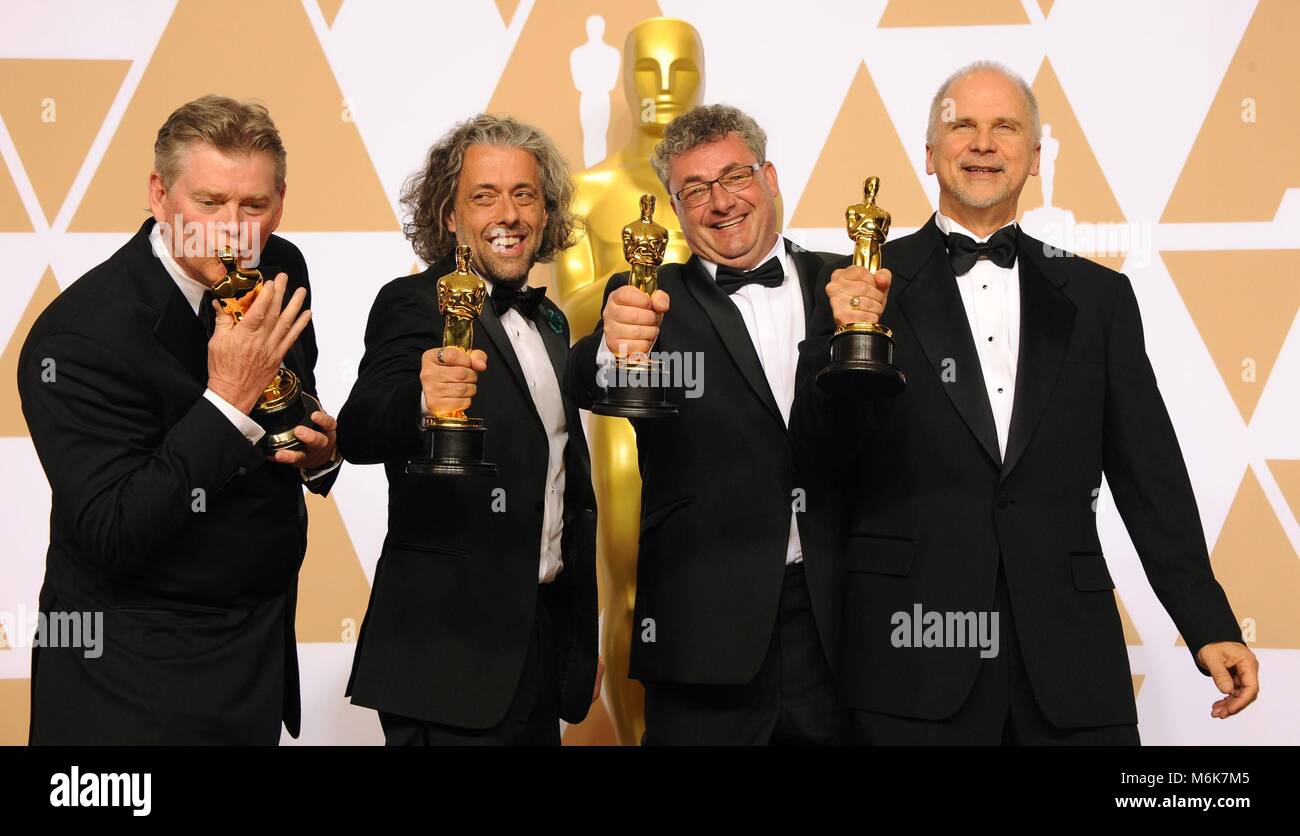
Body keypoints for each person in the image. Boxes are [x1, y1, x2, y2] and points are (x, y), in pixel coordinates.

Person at [792, 61, 1259, 744]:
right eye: (963, 126)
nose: (983, 143)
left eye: (1005, 127)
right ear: (929, 153)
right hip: (909, 664)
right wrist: (845, 345)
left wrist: (1207, 621)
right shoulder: (855, 287)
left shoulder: (1099, 299)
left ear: (1035, 157)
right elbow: (817, 456)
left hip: (1070, 665)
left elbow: (1149, 474)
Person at [18, 95, 340, 745]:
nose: (233, 230)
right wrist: (226, 400)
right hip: (128, 686)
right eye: (210, 203)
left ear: (280, 202)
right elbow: (113, 530)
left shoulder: (281, 266)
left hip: (254, 666)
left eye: (254, 205)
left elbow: (290, 407)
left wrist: (319, 455)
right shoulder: (77, 339)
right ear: (159, 194)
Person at [567, 104, 847, 744]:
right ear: (675, 208)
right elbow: (584, 376)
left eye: (735, 177)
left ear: (769, 178)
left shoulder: (845, 285)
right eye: (694, 190)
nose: (720, 202)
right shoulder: (649, 298)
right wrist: (613, 346)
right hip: (702, 637)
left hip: (837, 630)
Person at [339, 114, 600, 745]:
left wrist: (577, 640)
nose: (508, 214)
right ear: (450, 217)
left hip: (540, 648)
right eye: (484, 196)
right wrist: (421, 400)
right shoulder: (411, 301)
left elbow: (563, 487)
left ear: (546, 212)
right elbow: (359, 429)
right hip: (446, 661)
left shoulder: (552, 323)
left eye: (524, 195)